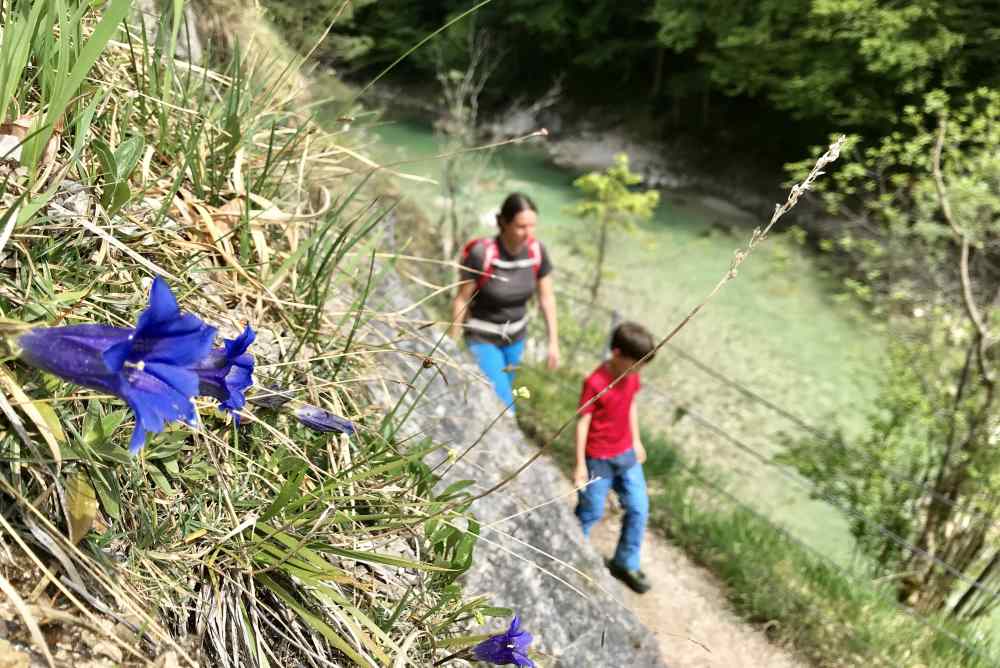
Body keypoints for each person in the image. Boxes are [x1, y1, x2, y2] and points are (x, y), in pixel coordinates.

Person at [450, 193, 560, 407]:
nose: (528, 233)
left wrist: (553, 343)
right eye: (521, 227)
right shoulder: (482, 253)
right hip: (482, 338)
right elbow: (461, 299)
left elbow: (547, 298)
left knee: (500, 396)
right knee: (503, 404)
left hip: (515, 340)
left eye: (532, 226)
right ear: (503, 222)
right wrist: (451, 342)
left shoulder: (537, 252)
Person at [573, 321, 655, 594]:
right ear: (617, 354)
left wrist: (636, 439)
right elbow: (582, 422)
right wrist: (579, 464)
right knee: (591, 510)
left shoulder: (631, 376)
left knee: (639, 508)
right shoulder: (595, 382)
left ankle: (625, 561)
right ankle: (574, 558)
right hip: (598, 458)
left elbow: (630, 405)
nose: (638, 371)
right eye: (635, 364)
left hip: (626, 454)